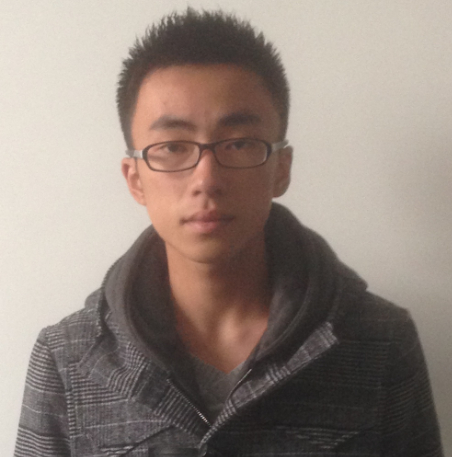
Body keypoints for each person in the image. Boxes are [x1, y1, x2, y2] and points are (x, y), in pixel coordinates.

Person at [14, 9, 443, 457]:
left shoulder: (378, 341)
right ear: (135, 178)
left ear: (281, 168)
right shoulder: (68, 358)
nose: (206, 179)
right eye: (172, 147)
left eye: (238, 143)